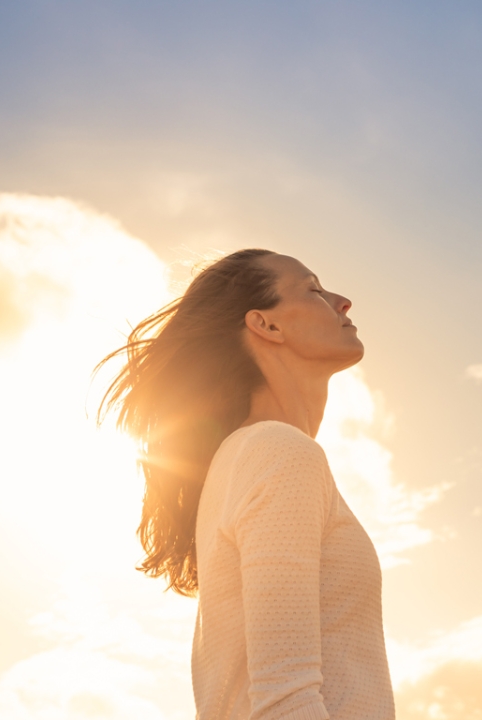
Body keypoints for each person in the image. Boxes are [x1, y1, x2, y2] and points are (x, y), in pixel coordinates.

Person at [98, 249, 395, 720]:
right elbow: (284, 702)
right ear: (266, 325)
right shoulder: (278, 453)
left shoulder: (245, 459)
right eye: (314, 290)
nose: (343, 302)